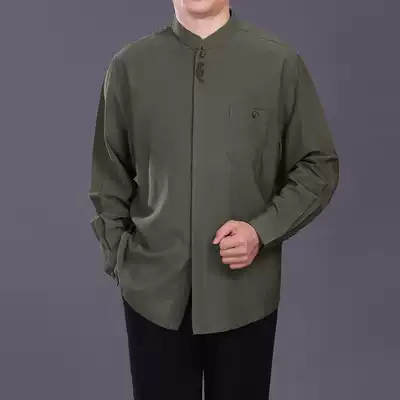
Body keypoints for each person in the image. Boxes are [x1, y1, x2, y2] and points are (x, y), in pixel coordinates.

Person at [88, 0, 339, 399]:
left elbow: (318, 166)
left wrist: (261, 231)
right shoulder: (129, 67)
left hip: (245, 295)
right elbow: (109, 177)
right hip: (153, 296)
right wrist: (121, 259)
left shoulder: (279, 63)